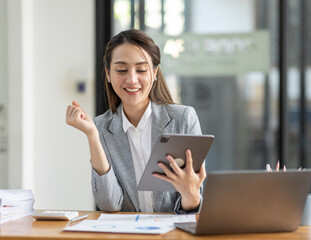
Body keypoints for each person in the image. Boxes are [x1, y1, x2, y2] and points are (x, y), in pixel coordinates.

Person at [65, 29, 206, 214]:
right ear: (108, 74)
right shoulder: (100, 127)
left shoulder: (183, 119)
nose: (132, 79)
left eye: (141, 69)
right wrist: (92, 135)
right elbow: (109, 204)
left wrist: (191, 195)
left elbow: (193, 206)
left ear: (154, 72)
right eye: (121, 70)